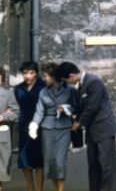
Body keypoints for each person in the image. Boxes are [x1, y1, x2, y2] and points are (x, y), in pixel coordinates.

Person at [58, 62, 116, 191]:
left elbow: (92, 107)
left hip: (104, 129)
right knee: (93, 165)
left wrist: (79, 123)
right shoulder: (79, 86)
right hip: (91, 131)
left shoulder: (94, 82)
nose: (68, 84)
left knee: (106, 166)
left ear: (72, 75)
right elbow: (81, 107)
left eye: (66, 80)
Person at [29, 63, 78, 191]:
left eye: (46, 76)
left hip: (64, 129)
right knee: (49, 162)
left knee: (60, 162)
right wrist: (34, 124)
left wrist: (66, 108)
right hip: (47, 129)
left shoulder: (70, 90)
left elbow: (76, 107)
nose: (44, 79)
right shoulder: (43, 92)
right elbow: (39, 111)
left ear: (53, 76)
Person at [14, 62, 45, 191]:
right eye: (25, 73)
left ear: (36, 73)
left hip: (40, 126)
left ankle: (39, 189)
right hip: (23, 126)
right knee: (24, 159)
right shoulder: (18, 88)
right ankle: (30, 188)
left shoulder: (43, 86)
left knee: (38, 160)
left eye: (31, 73)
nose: (27, 76)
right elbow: (16, 106)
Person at [0, 68, 20, 190]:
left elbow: (16, 112)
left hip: (2, 134)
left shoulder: (8, 93)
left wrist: (3, 116)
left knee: (2, 166)